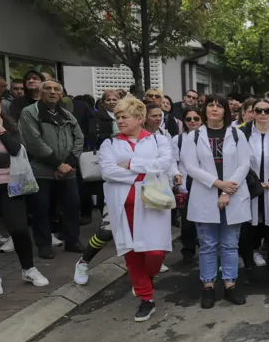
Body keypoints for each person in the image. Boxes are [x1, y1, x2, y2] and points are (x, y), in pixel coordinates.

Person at [99, 97, 175, 322]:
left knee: (155, 252)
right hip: (124, 207)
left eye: (124, 117)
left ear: (140, 119)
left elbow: (164, 163)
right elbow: (108, 171)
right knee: (133, 254)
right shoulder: (110, 144)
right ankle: (146, 298)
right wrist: (142, 174)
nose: (119, 121)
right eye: (117, 117)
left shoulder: (157, 140)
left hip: (153, 203)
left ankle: (148, 276)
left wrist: (131, 165)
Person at [181, 93, 252, 309]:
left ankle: (230, 284)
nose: (214, 109)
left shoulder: (237, 135)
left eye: (219, 106)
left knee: (230, 244)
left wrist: (227, 189)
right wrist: (218, 184)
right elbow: (191, 167)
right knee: (208, 245)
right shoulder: (193, 137)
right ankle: (208, 286)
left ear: (225, 111)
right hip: (205, 195)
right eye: (210, 105)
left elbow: (244, 164)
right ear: (204, 110)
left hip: (233, 194)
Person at [0, 89, 49, 295]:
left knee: (19, 230)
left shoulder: (9, 125)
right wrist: (1, 160)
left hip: (12, 188)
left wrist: (1, 130)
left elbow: (16, 150)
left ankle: (28, 269)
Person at [18, 79, 84, 258]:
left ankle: (72, 241)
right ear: (40, 92)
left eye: (56, 89)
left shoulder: (67, 115)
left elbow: (79, 138)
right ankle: (44, 245)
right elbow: (33, 141)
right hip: (41, 170)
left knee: (72, 205)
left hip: (68, 170)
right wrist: (57, 164)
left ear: (61, 94)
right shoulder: (29, 112)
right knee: (41, 209)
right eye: (48, 88)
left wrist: (69, 163)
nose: (52, 92)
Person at [239, 98, 269, 278]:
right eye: (258, 110)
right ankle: (248, 261)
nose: (262, 114)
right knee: (248, 225)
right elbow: (238, 161)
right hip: (249, 187)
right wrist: (253, 181)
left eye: (266, 110)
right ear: (252, 112)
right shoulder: (242, 134)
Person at [174, 106, 201, 263]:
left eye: (196, 118)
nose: (192, 122)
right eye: (188, 119)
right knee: (188, 221)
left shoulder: (207, 137)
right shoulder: (177, 140)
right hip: (186, 185)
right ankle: (188, 250)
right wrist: (178, 180)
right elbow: (174, 163)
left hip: (207, 184)